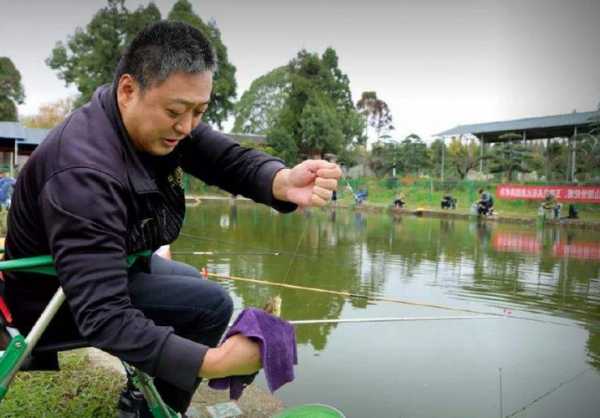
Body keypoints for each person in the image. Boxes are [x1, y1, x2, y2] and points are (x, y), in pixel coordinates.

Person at [2, 21, 341, 417]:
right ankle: (151, 411)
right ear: (128, 90)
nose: (186, 127)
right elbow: (105, 317)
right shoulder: (82, 174)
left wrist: (281, 181)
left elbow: (224, 158)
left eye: (199, 112)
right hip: (50, 298)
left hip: (105, 265)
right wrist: (218, 361)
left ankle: (143, 395)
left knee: (188, 282)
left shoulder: (150, 119)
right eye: (177, 112)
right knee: (210, 304)